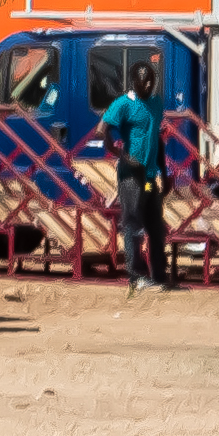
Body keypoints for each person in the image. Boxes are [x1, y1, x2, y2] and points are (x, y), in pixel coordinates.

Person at [93, 53, 170, 292]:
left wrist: (164, 173)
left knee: (155, 224)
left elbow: (156, 137)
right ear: (133, 82)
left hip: (149, 177)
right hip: (131, 177)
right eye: (143, 81)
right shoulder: (123, 104)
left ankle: (158, 274)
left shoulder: (156, 103)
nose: (147, 85)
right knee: (133, 223)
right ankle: (136, 277)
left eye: (151, 80)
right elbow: (101, 130)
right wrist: (121, 155)